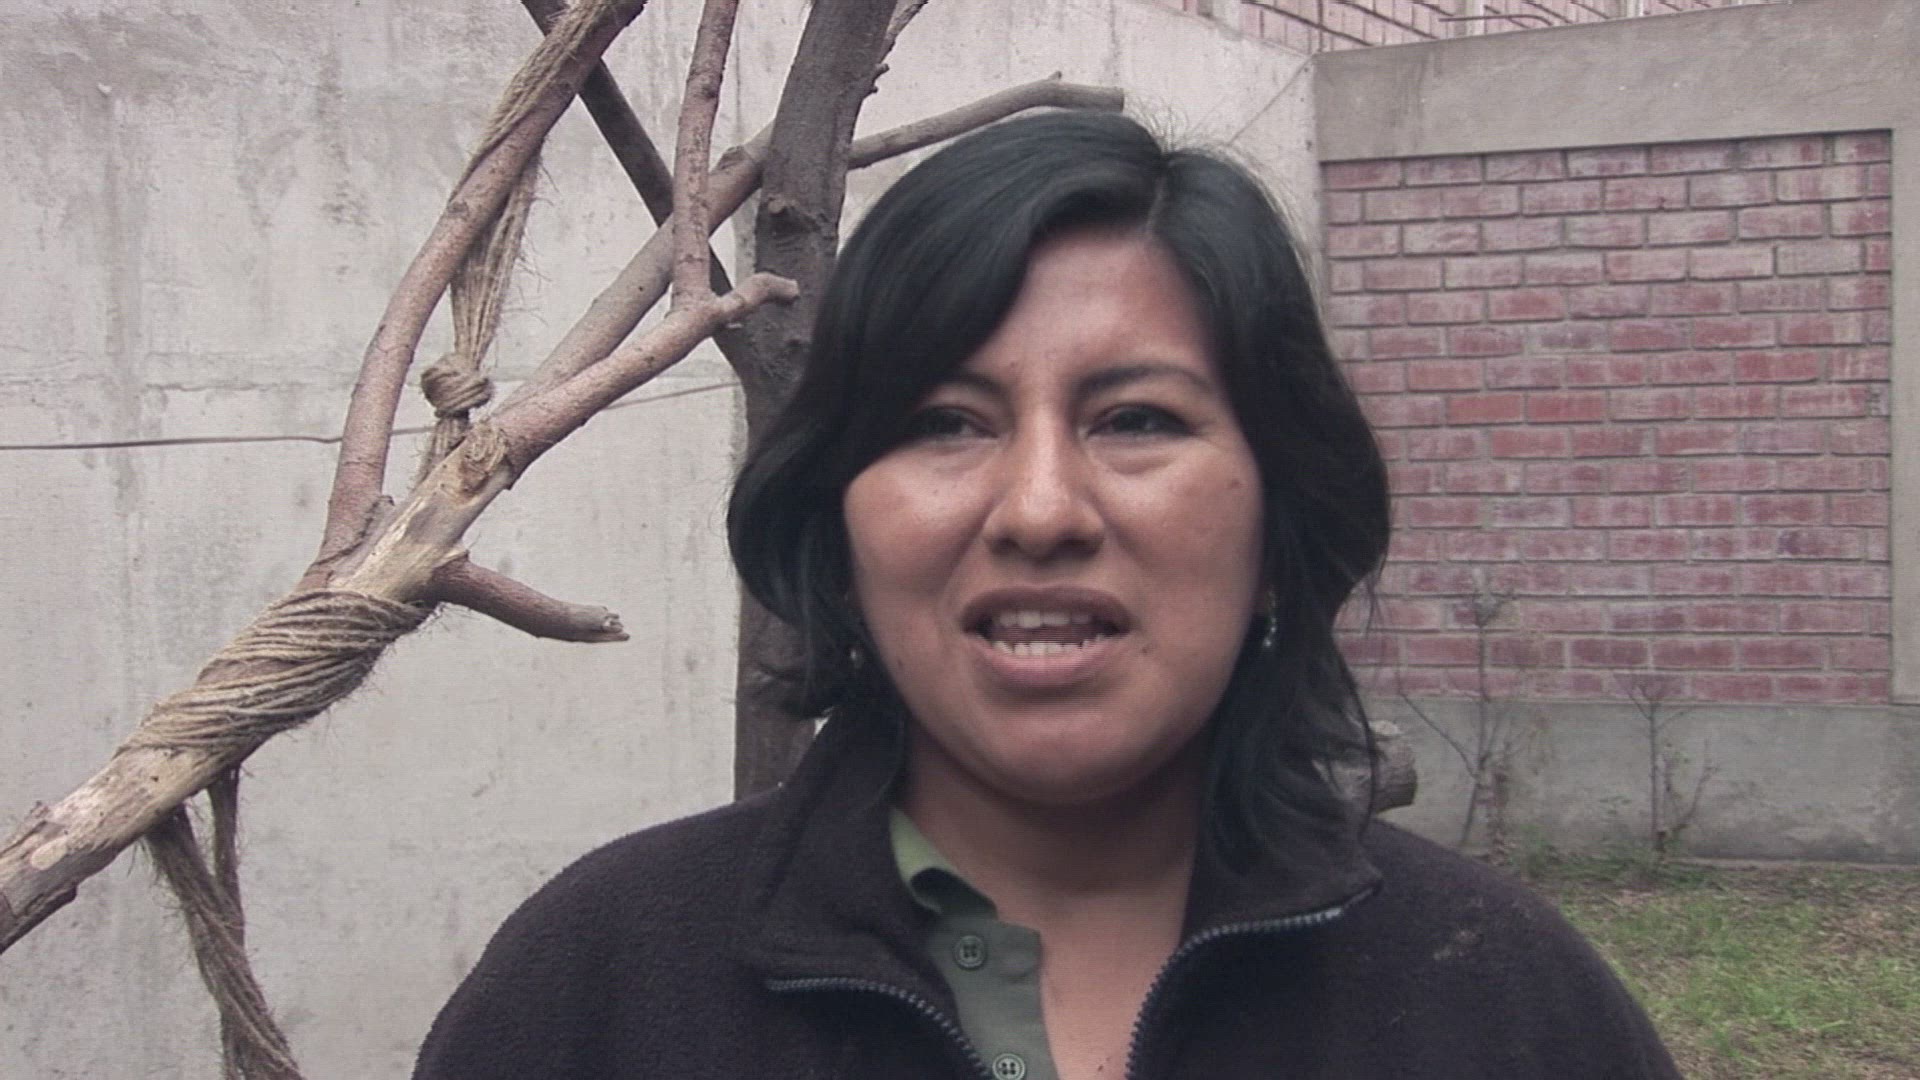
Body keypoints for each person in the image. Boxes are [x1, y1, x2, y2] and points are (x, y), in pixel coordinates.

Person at [413, 111, 1679, 1080]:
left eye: (1137, 419)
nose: (1038, 510)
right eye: (945, 423)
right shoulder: (600, 992)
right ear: (840, 527)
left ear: (1280, 516)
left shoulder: (1503, 1005)